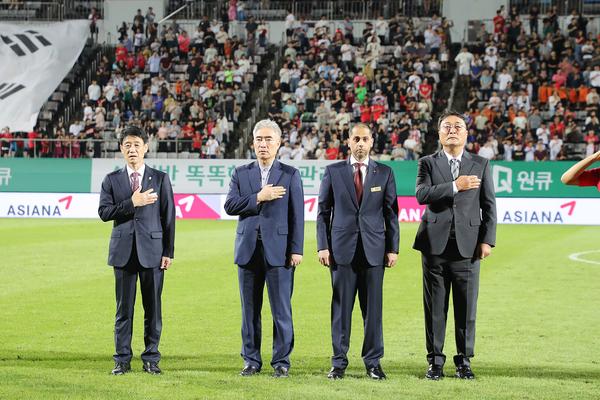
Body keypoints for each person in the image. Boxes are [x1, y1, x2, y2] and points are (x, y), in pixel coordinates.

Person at [413, 111, 496, 380]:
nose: (452, 130)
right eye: (446, 126)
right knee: (434, 308)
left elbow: (489, 205)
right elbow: (421, 195)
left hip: (469, 247)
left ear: (466, 133)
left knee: (466, 307)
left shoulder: (481, 164)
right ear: (438, 134)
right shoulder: (427, 163)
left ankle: (464, 361)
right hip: (433, 247)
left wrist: (487, 239)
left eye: (457, 126)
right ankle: (435, 361)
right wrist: (454, 185)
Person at [316, 123, 400, 380]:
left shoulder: (384, 172)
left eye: (365, 139)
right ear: (348, 142)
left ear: (372, 142)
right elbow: (323, 212)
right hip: (341, 251)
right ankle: (338, 363)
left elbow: (391, 213)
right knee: (340, 310)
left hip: (374, 252)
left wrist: (393, 248)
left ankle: (373, 363)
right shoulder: (333, 172)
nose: (361, 143)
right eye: (356, 139)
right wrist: (322, 245)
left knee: (373, 311)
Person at [224, 119, 304, 378]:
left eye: (269, 139)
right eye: (259, 139)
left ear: (279, 143)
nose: (263, 144)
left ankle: (281, 361)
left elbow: (297, 216)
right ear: (252, 143)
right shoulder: (240, 173)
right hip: (247, 250)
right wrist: (259, 196)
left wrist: (296, 249)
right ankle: (251, 360)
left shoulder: (291, 174)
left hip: (279, 252)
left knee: (281, 310)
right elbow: (230, 206)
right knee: (249, 311)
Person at [98, 125, 175, 376]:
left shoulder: (161, 178)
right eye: (127, 145)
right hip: (123, 252)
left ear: (146, 147)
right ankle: (122, 359)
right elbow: (104, 213)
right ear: (121, 148)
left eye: (136, 145)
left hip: (153, 252)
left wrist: (168, 252)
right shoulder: (111, 180)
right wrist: (131, 203)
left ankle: (151, 358)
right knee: (124, 310)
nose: (132, 149)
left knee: (153, 309)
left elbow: (168, 218)